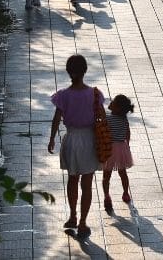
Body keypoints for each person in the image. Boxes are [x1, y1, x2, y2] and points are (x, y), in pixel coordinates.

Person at [48, 54, 104, 239]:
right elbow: (102, 117)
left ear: (68, 72)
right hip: (89, 140)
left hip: (71, 139)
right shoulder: (95, 94)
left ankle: (72, 215)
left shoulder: (63, 95)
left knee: (72, 180)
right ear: (85, 70)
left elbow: (57, 119)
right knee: (87, 184)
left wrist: (52, 139)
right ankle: (82, 223)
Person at [101, 94, 135, 212]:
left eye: (113, 102)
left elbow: (102, 130)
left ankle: (107, 196)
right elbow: (127, 133)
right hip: (121, 148)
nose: (110, 103)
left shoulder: (107, 118)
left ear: (118, 108)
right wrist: (127, 145)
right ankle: (126, 193)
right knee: (123, 173)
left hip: (109, 149)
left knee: (106, 175)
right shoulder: (124, 119)